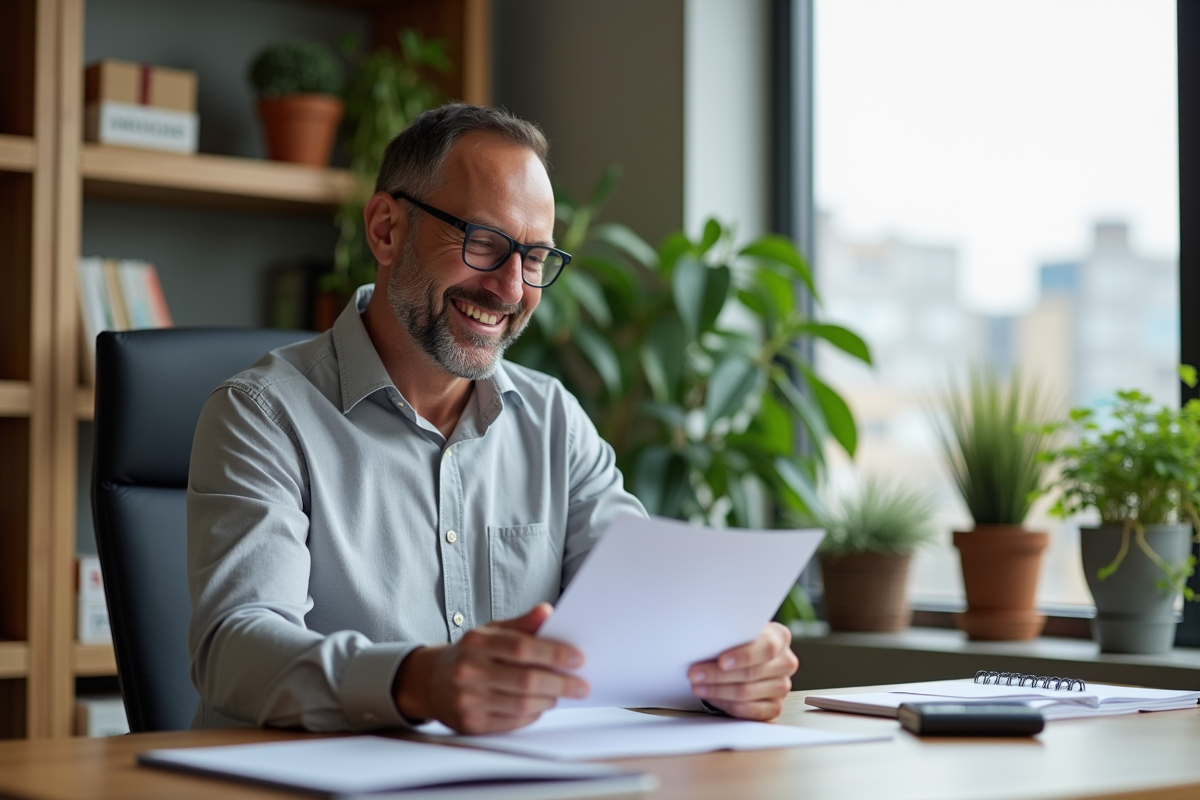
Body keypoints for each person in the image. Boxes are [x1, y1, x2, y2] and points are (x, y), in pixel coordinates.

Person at [187, 103, 798, 735]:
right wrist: (419, 681)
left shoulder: (554, 422)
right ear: (386, 230)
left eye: (534, 259)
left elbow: (643, 615)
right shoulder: (261, 414)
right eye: (484, 243)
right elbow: (235, 649)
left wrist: (728, 661)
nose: (510, 290)